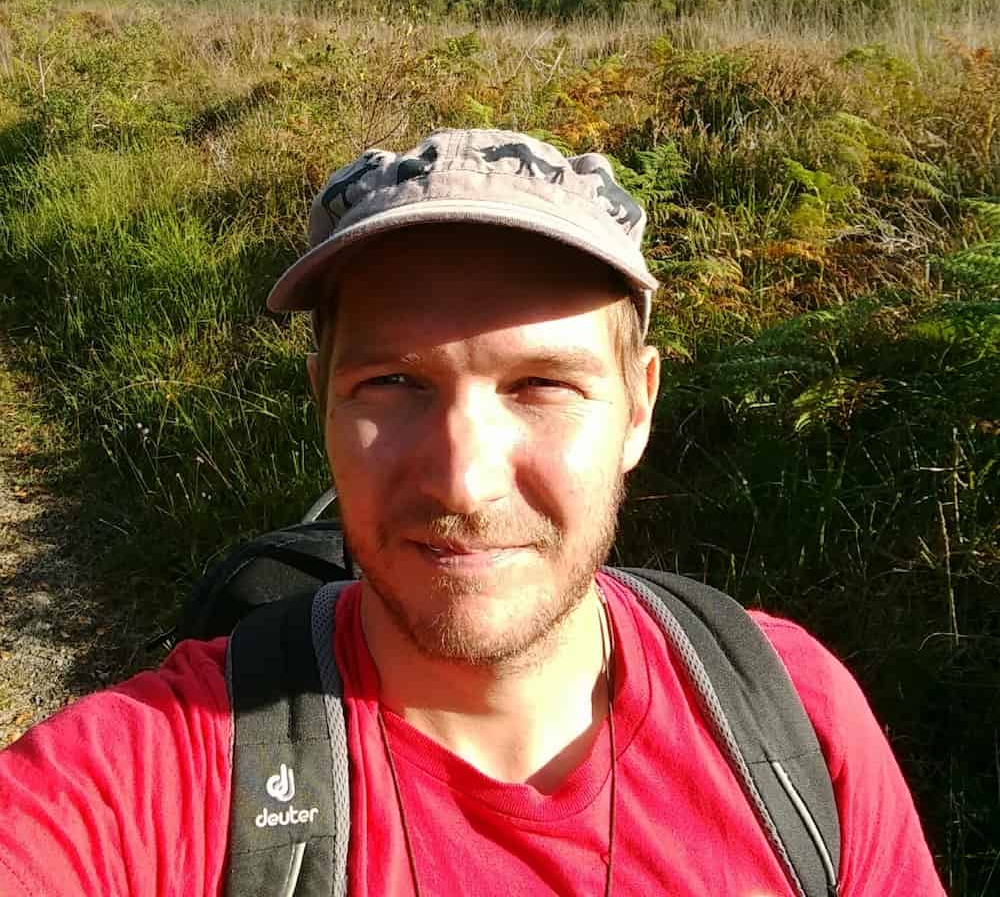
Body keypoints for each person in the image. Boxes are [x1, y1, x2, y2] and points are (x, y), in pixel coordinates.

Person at [0, 129, 944, 895]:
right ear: (322, 400)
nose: (463, 482)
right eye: (393, 383)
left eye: (541, 384)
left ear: (639, 409)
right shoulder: (156, 775)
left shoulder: (791, 715)